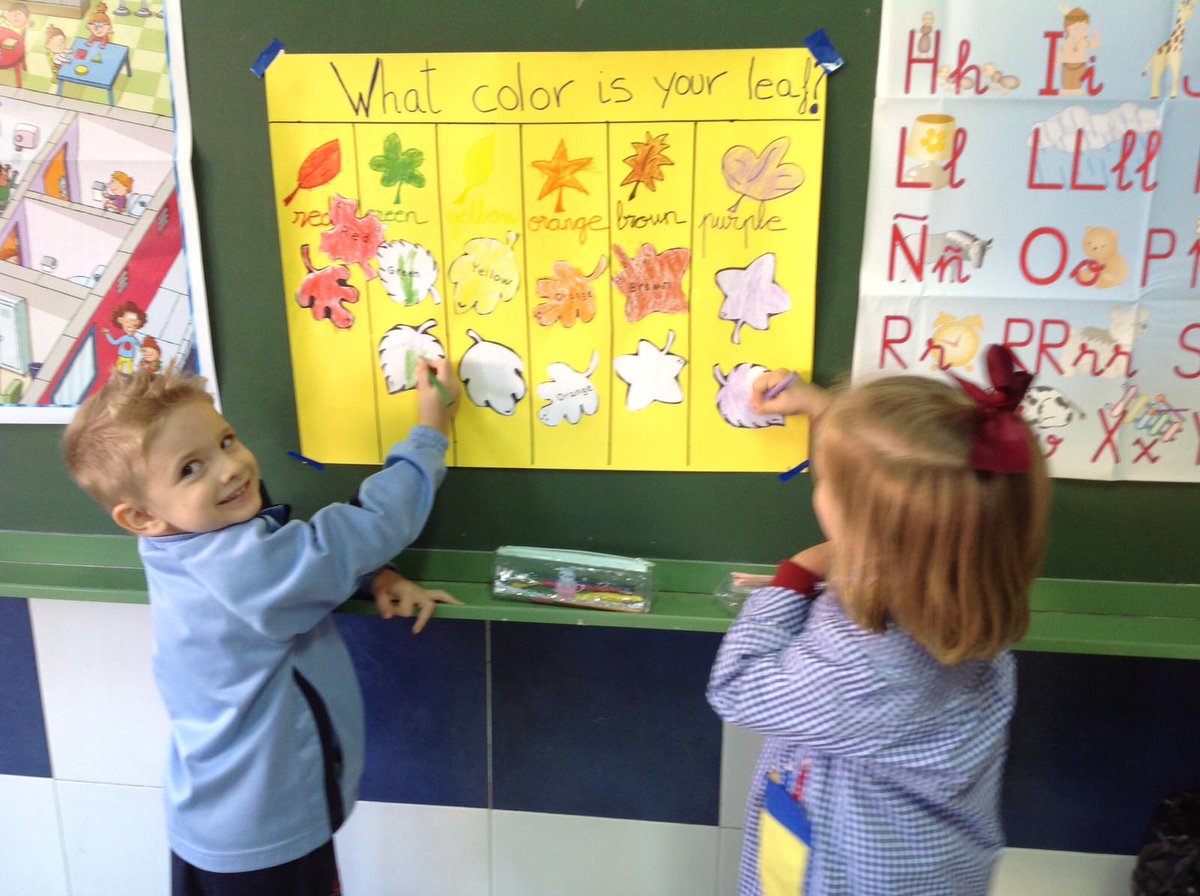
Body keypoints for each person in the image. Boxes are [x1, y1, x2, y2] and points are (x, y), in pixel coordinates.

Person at [62, 360, 462, 896]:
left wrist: (373, 576)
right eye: (190, 468)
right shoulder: (242, 567)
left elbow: (294, 570)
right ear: (141, 516)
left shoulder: (178, 548)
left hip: (215, 821)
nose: (229, 468)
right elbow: (369, 528)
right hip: (267, 832)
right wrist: (432, 431)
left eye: (226, 441)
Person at [708, 345, 1051, 896]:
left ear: (869, 535)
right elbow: (898, 479)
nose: (817, 483)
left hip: (841, 877)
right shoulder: (963, 596)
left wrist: (794, 577)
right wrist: (821, 407)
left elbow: (737, 686)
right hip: (934, 866)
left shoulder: (866, 665)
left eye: (824, 478)